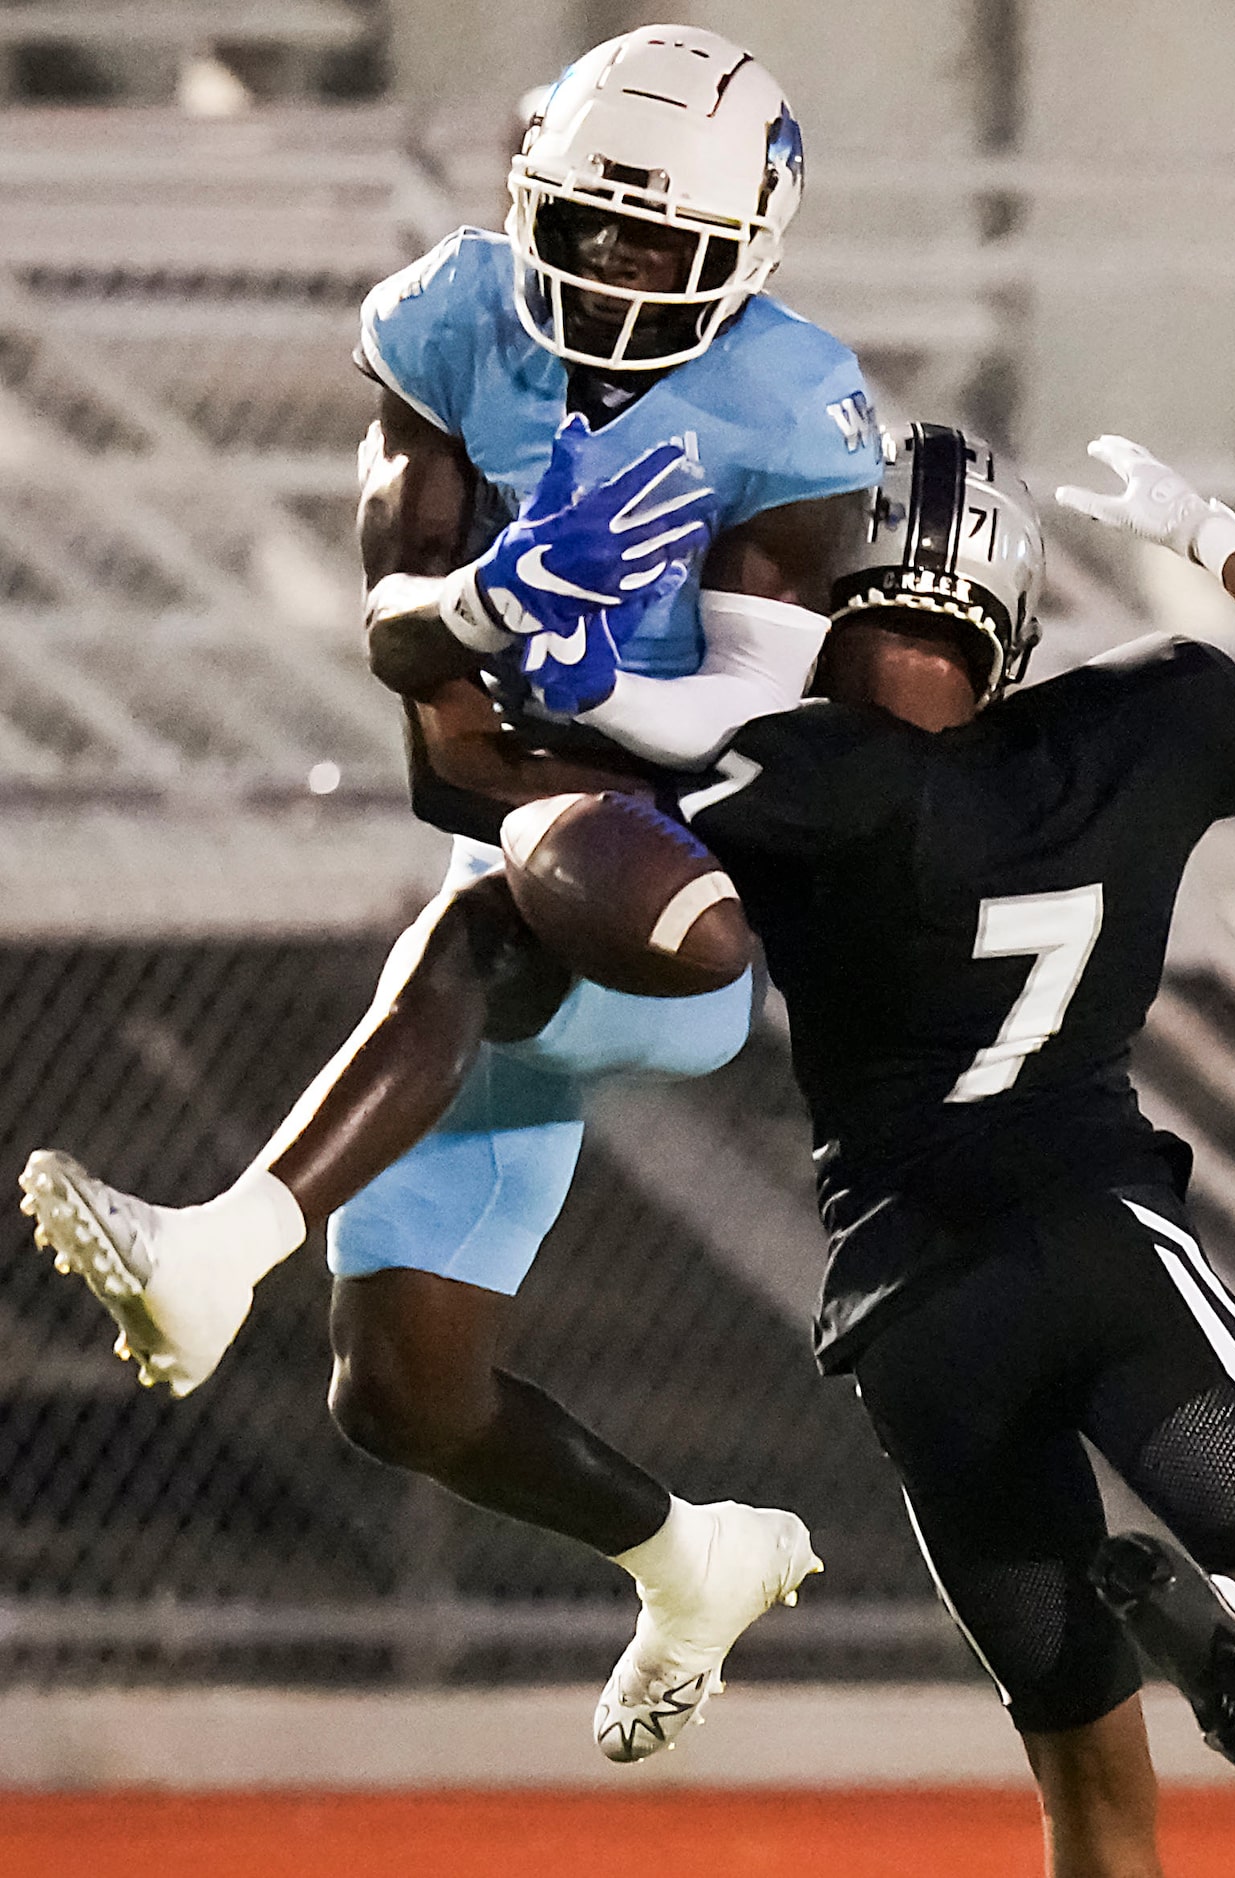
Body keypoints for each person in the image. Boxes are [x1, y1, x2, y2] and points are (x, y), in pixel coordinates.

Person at [367, 422, 1235, 1869]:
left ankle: (1187, 1632)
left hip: (913, 1311)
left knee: (1092, 1796)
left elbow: (497, 793)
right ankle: (1218, 1615)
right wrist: (1207, 535)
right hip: (1100, 1243)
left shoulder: (791, 775)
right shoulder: (1140, 720)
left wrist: (444, 636)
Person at [21, 22, 881, 1763]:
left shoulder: (793, 410)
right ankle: (689, 1556)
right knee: (399, 1396)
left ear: (748, 255)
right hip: (493, 902)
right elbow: (420, 704)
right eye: (591, 227)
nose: (619, 274)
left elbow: (750, 736)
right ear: (525, 196)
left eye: (666, 245)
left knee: (504, 901)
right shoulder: (448, 318)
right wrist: (497, 600)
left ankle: (215, 1242)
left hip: (686, 903)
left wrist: (579, 689)